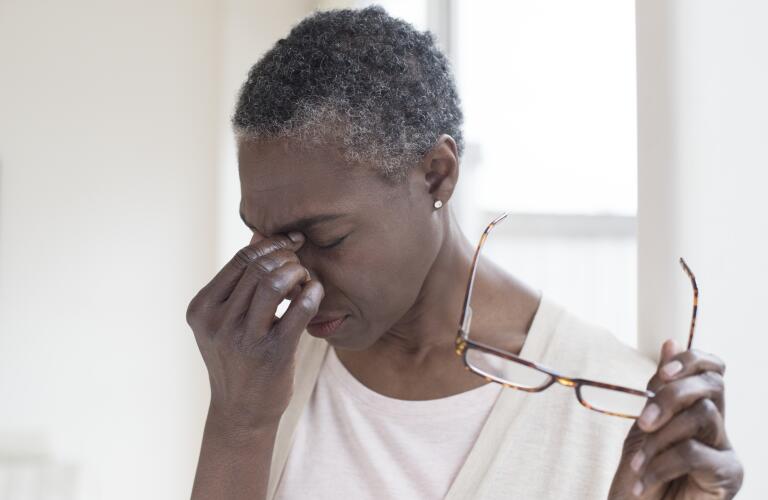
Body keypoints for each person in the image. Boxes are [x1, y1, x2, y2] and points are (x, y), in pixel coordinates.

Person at [186, 6, 743, 499]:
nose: (292, 283)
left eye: (328, 237)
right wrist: (238, 427)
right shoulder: (258, 373)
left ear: (437, 175)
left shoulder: (614, 409)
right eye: (264, 241)